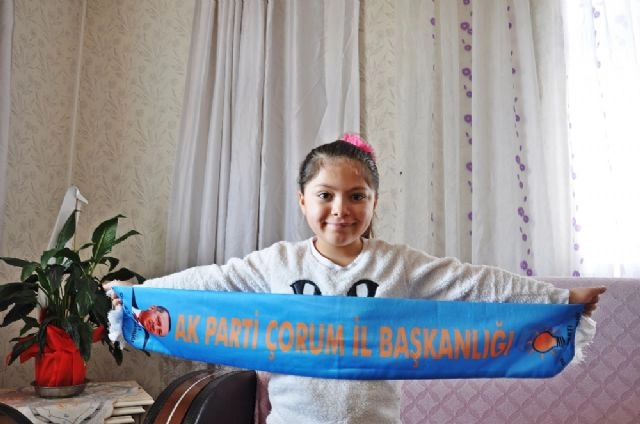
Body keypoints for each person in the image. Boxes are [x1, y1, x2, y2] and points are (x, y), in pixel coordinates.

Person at [107, 133, 605, 424]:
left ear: (374, 202)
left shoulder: (399, 265)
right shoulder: (275, 263)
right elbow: (211, 282)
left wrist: (558, 298)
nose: (340, 209)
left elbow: (475, 284)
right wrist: (137, 297)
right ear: (303, 200)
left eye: (356, 196)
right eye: (325, 195)